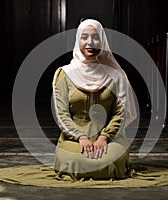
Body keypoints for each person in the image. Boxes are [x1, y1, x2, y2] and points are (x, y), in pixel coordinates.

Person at [52, 19, 137, 180]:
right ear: (78, 40)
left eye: (95, 37)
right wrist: (81, 137)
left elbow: (121, 113)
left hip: (111, 138)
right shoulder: (65, 74)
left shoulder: (116, 75)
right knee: (73, 161)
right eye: (84, 37)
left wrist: (104, 138)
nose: (90, 42)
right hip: (74, 139)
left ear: (102, 41)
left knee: (108, 162)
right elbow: (61, 114)